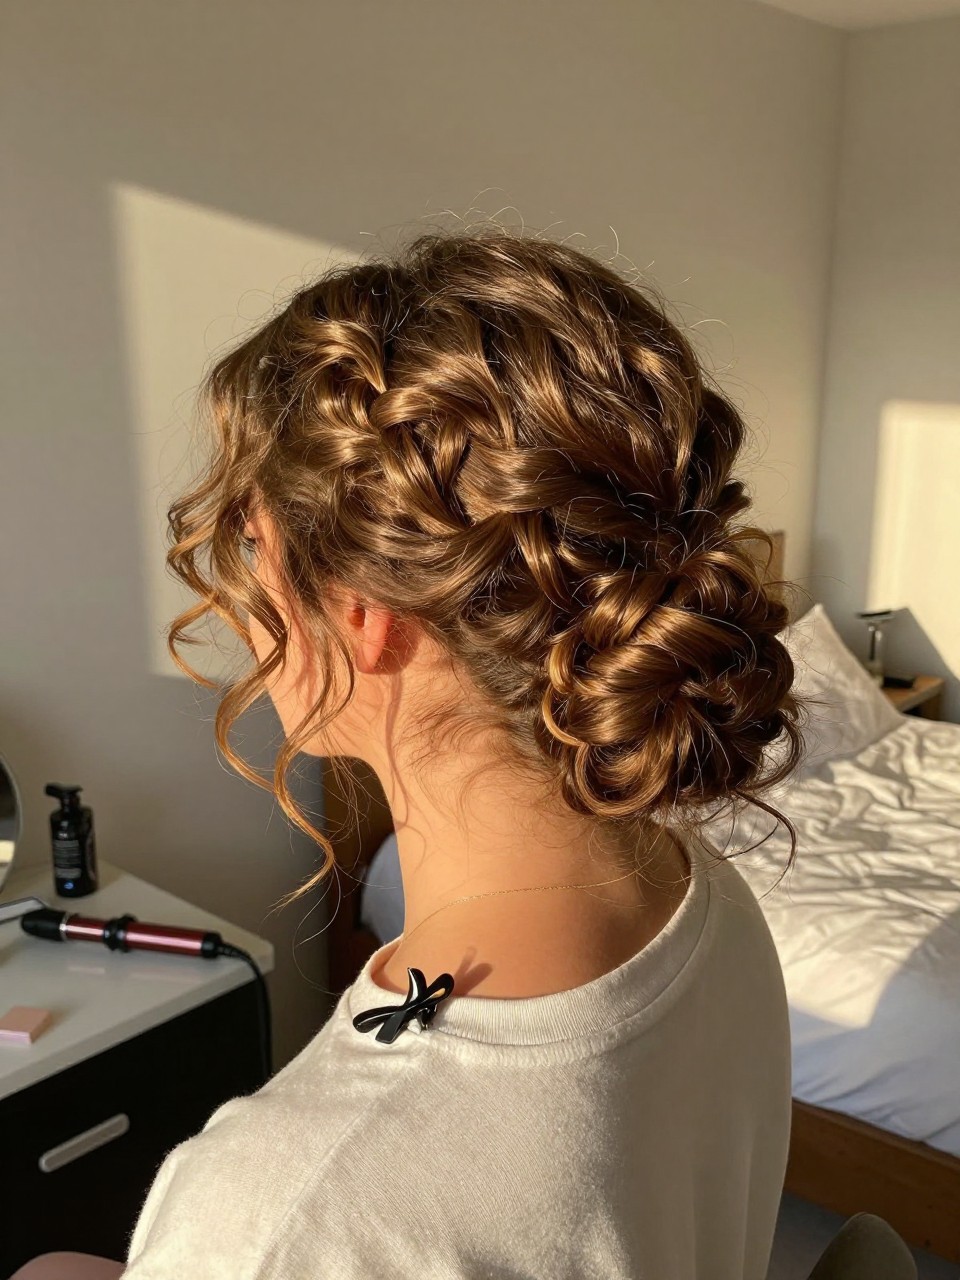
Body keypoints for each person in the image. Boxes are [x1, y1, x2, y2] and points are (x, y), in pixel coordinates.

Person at [16, 225, 806, 1279]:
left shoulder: (296, 1215)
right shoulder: (704, 901)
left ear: (361, 612)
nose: (235, 598)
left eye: (253, 548)